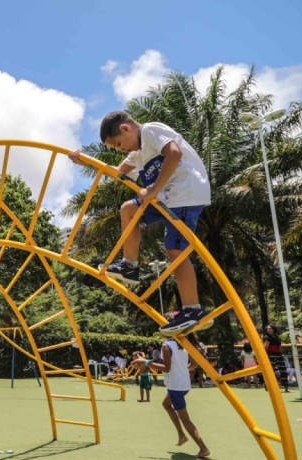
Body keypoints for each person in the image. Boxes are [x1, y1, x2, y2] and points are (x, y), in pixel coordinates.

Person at [69, 111, 212, 336]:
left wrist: (154, 188)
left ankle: (193, 309)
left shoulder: (150, 130)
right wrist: (83, 162)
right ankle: (130, 265)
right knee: (128, 209)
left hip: (185, 193)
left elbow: (173, 153)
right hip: (165, 197)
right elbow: (116, 173)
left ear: (126, 129)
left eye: (118, 144)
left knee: (175, 250)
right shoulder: (137, 153)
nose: (121, 149)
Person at [132, 335, 210, 460]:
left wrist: (145, 362)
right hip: (183, 384)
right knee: (166, 404)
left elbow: (166, 369)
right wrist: (182, 370)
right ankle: (181, 435)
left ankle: (203, 448)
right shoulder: (182, 342)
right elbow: (194, 363)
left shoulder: (166, 345)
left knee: (185, 419)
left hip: (175, 386)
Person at [262, 325, 289, 393]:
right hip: (270, 354)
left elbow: (279, 346)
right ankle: (267, 384)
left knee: (283, 370)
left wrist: (281, 354)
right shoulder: (266, 337)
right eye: (268, 329)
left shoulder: (277, 337)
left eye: (270, 329)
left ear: (273, 329)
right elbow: (265, 346)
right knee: (272, 370)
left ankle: (286, 388)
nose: (269, 330)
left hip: (278, 354)